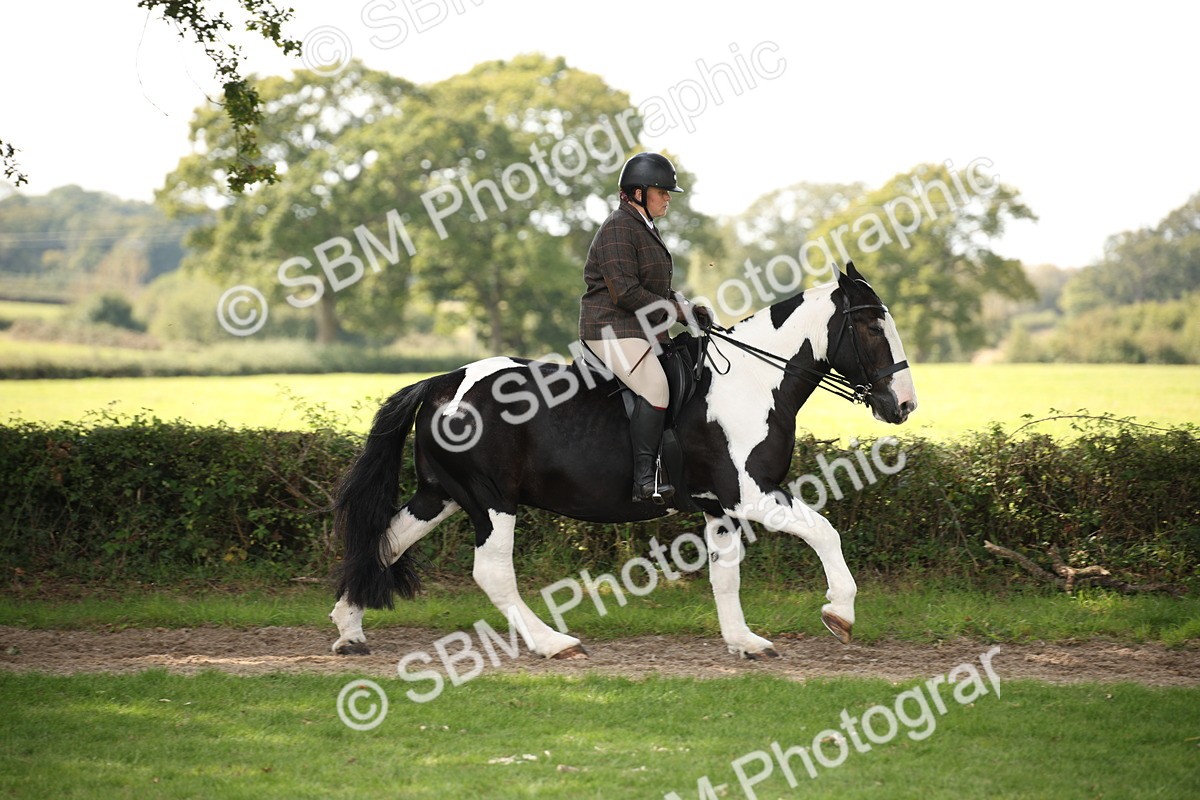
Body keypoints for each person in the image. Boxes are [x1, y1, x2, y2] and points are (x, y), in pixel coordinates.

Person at [579, 152, 712, 503]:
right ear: (637, 193)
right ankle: (644, 480)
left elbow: (655, 288)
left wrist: (688, 308)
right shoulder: (618, 228)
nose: (668, 197)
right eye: (662, 191)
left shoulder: (643, 228)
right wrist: (675, 311)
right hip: (611, 327)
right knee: (656, 388)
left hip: (639, 330)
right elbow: (624, 292)